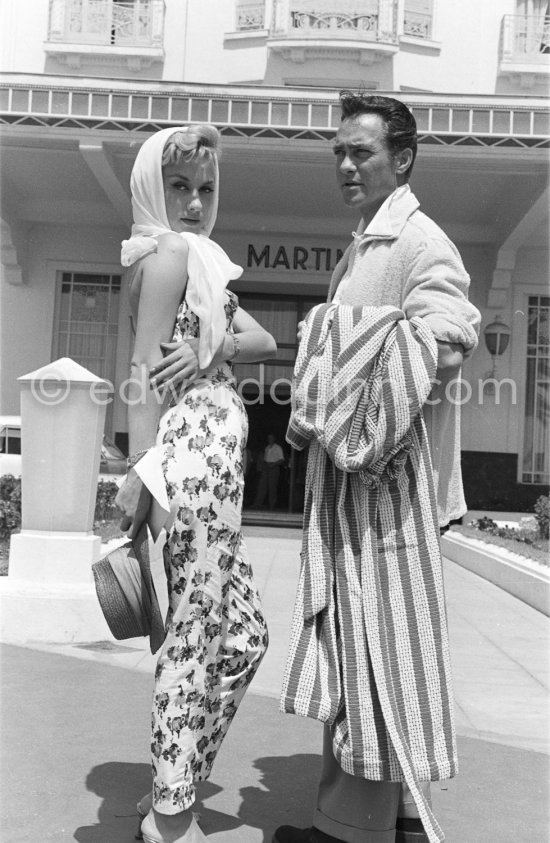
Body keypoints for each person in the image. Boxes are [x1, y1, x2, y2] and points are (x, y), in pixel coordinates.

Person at [273, 92, 481, 843]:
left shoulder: (419, 241)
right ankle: (395, 820)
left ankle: (346, 829)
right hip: (356, 493)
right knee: (367, 647)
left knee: (373, 653)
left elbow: (453, 334)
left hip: (387, 491)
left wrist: (342, 344)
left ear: (403, 159)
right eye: (339, 151)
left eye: (360, 151)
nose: (347, 164)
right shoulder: (367, 242)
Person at [115, 124, 275, 843]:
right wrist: (141, 480)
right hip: (190, 471)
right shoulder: (170, 256)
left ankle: (167, 793)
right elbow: (142, 378)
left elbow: (267, 341)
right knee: (194, 637)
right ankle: (174, 818)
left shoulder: (201, 264)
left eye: (205, 188)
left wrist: (212, 342)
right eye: (178, 184)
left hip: (216, 476)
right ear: (154, 184)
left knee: (243, 637)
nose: (193, 202)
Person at [253, 432, 286, 510]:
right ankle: (257, 504)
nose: (270, 439)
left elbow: (282, 459)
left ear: (274, 439)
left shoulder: (278, 448)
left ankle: (272, 505)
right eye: (268, 438)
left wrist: (274, 464)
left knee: (272, 487)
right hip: (266, 467)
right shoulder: (267, 447)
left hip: (274, 468)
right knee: (262, 486)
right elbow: (264, 459)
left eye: (271, 438)